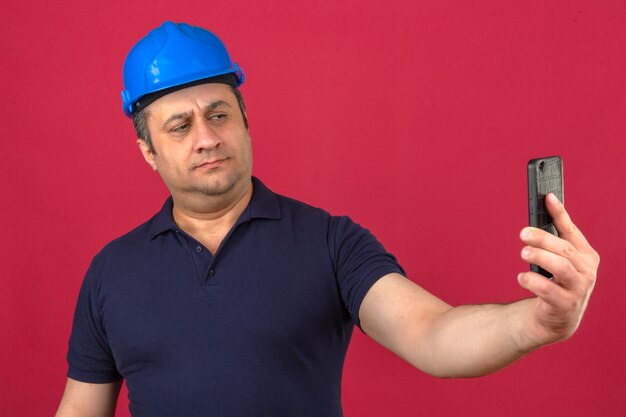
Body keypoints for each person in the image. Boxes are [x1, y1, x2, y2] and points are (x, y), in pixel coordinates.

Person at [55, 21, 599, 417]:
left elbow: (434, 335)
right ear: (148, 151)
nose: (206, 137)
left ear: (245, 120)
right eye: (179, 126)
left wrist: (536, 323)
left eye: (219, 114)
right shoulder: (111, 272)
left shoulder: (329, 242)